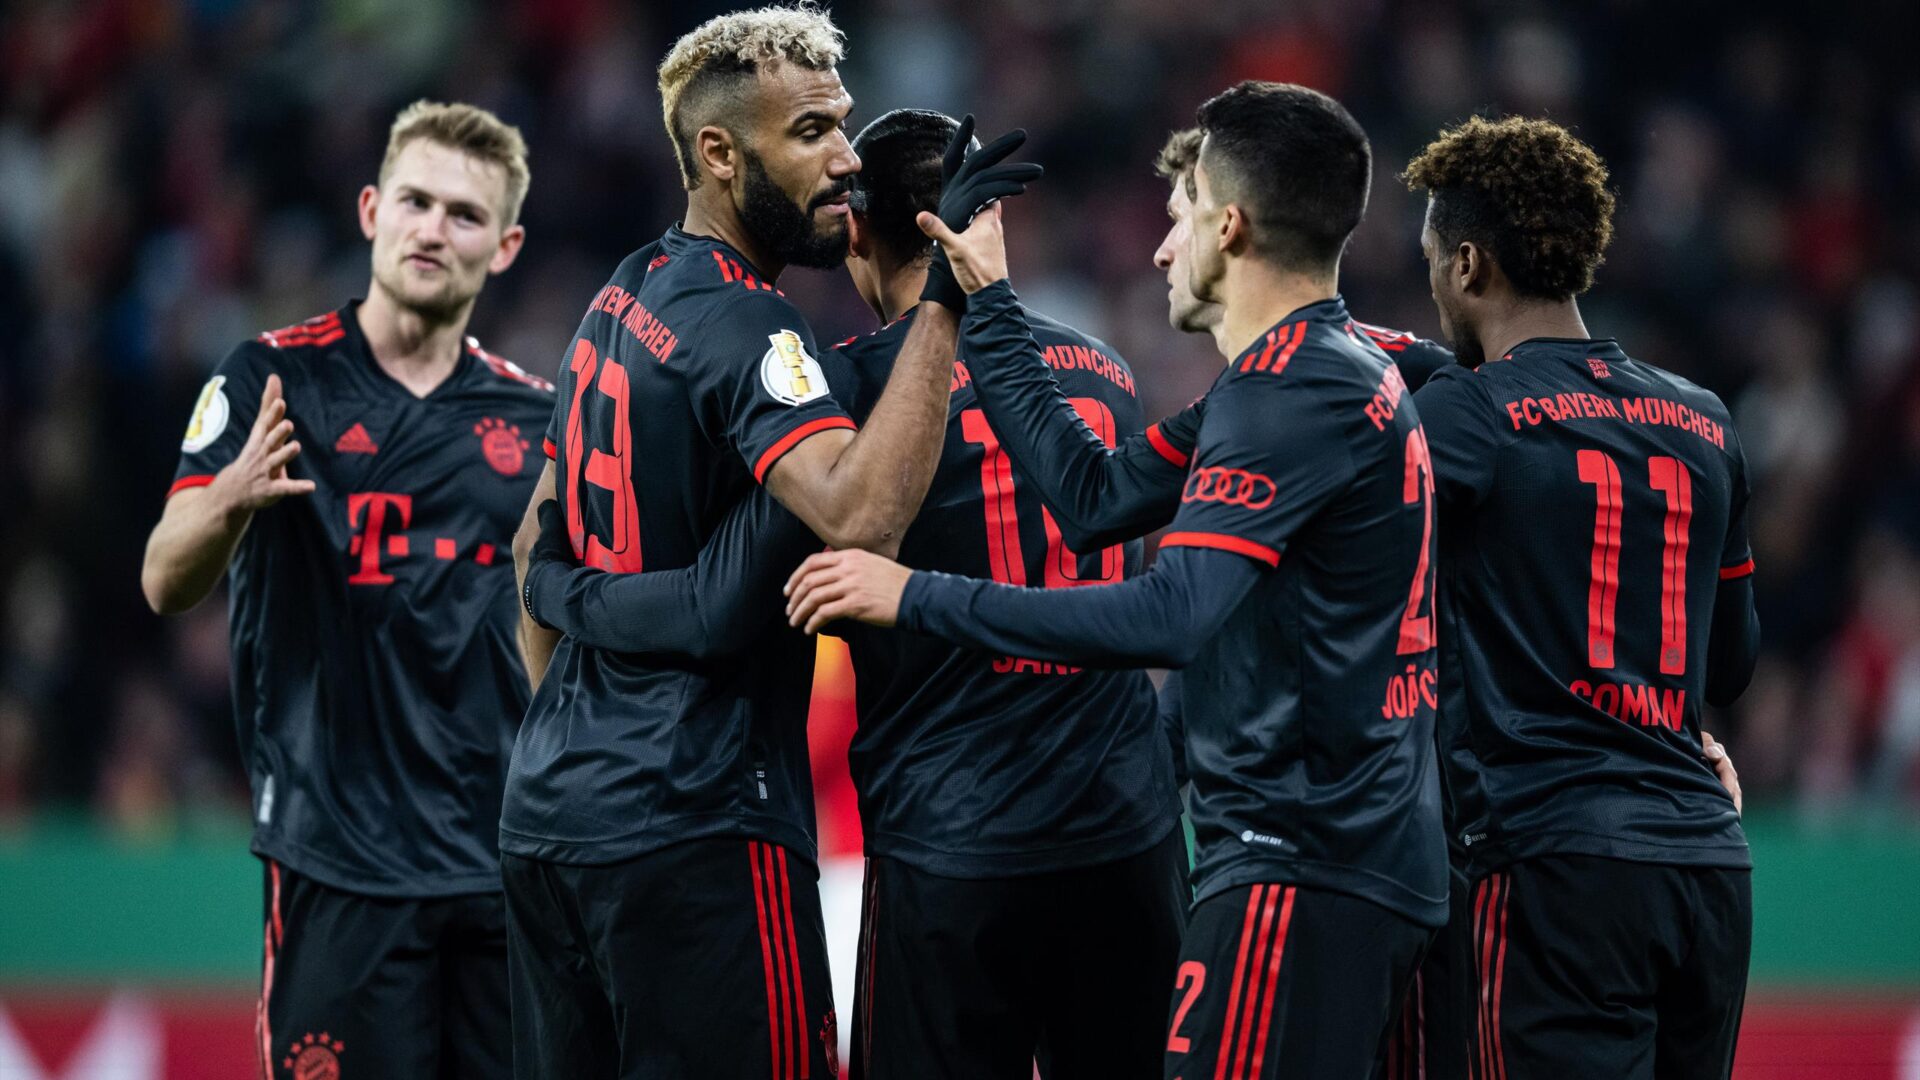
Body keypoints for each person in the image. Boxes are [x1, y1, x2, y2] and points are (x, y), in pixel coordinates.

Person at [784, 81, 1448, 1080]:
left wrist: (910, 595)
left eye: (1178, 218)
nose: (1158, 248)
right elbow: (1093, 500)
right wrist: (989, 302)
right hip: (1210, 842)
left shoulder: (1286, 392)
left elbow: (1174, 613)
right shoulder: (1295, 371)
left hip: (1281, 860)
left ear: (1230, 225)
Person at [521, 107, 1184, 1078]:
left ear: (864, 229)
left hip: (952, 839)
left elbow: (723, 596)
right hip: (1127, 828)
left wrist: (566, 597)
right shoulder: (1107, 373)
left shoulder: (849, 398)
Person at [497, 8, 1038, 1077]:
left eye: (841, 126)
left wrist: (588, 741)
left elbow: (532, 554)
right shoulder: (755, 328)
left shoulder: (617, 297)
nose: (846, 161)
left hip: (551, 822)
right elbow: (862, 515)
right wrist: (946, 300)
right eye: (809, 135)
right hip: (699, 830)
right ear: (717, 152)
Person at [140, 100, 547, 1080]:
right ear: (371, 210)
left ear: (505, 247)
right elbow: (164, 576)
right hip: (338, 865)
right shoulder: (272, 379)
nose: (432, 229)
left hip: (501, 868)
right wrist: (231, 498)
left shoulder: (538, 419)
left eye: (464, 214)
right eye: (415, 201)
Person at [1403, 115, 1760, 1080]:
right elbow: (1731, 662)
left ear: (1470, 264)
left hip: (1551, 866)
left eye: (1434, 258)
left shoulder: (1465, 414)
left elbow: (1365, 581)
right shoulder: (1704, 418)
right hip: (1705, 866)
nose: (1432, 283)